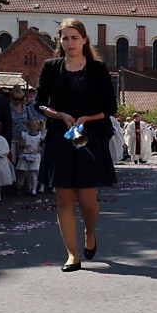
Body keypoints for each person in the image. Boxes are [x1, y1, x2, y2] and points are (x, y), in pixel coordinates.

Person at [35, 18, 118, 272]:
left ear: (84, 40)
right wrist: (59, 115)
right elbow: (39, 103)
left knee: (87, 198)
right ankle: (72, 255)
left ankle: (90, 233)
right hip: (60, 137)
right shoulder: (51, 67)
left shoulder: (97, 69)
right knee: (63, 198)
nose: (70, 42)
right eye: (65, 37)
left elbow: (110, 107)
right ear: (60, 41)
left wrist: (86, 118)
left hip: (90, 137)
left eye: (74, 37)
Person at [7, 86, 43, 165]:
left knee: (22, 160)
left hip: (24, 138)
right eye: (15, 99)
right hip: (11, 137)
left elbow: (31, 120)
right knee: (12, 160)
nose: (17, 101)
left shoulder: (26, 108)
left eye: (19, 99)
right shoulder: (8, 108)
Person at [16, 118, 44, 196]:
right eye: (30, 126)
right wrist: (24, 146)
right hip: (26, 155)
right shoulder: (25, 135)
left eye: (34, 126)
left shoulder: (39, 136)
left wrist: (37, 150)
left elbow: (41, 147)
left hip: (35, 156)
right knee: (26, 173)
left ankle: (34, 189)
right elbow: (20, 144)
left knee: (33, 172)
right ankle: (29, 186)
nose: (32, 127)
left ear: (37, 126)